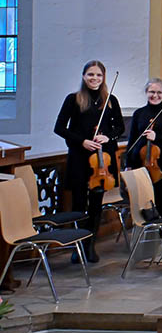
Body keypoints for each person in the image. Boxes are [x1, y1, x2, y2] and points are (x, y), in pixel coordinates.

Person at [54, 60, 126, 264]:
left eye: (98, 75)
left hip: (102, 160)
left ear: (103, 78)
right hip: (79, 157)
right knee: (78, 204)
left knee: (96, 204)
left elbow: (120, 127)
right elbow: (59, 128)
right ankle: (78, 246)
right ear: (83, 76)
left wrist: (108, 137)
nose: (94, 78)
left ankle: (90, 244)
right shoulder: (73, 99)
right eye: (90, 74)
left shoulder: (110, 100)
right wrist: (82, 141)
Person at [125, 77, 162, 218]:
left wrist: (156, 137)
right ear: (146, 92)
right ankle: (145, 231)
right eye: (152, 91)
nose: (155, 95)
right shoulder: (139, 113)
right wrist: (128, 164)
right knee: (142, 201)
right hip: (140, 162)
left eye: (159, 92)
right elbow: (132, 139)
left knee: (161, 199)